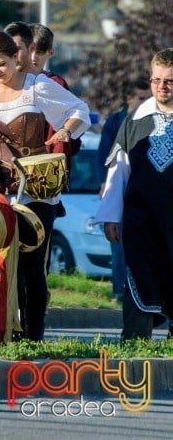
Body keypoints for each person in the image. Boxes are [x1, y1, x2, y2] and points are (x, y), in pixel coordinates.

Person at [0, 30, 90, 341]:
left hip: (37, 188)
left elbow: (78, 111)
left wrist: (66, 131)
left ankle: (32, 332)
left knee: (31, 263)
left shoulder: (37, 87)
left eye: (1, 64)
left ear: (16, 58)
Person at [96, 49, 173, 339]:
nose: (161, 87)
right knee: (139, 274)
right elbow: (119, 171)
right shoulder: (137, 118)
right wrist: (110, 216)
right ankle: (135, 339)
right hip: (141, 217)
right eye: (156, 80)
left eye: (169, 81)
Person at [96, 78, 150, 301]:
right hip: (119, 188)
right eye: (142, 98)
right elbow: (104, 154)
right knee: (118, 246)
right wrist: (104, 184)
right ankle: (120, 291)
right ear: (129, 98)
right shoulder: (116, 121)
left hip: (142, 193)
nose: (147, 102)